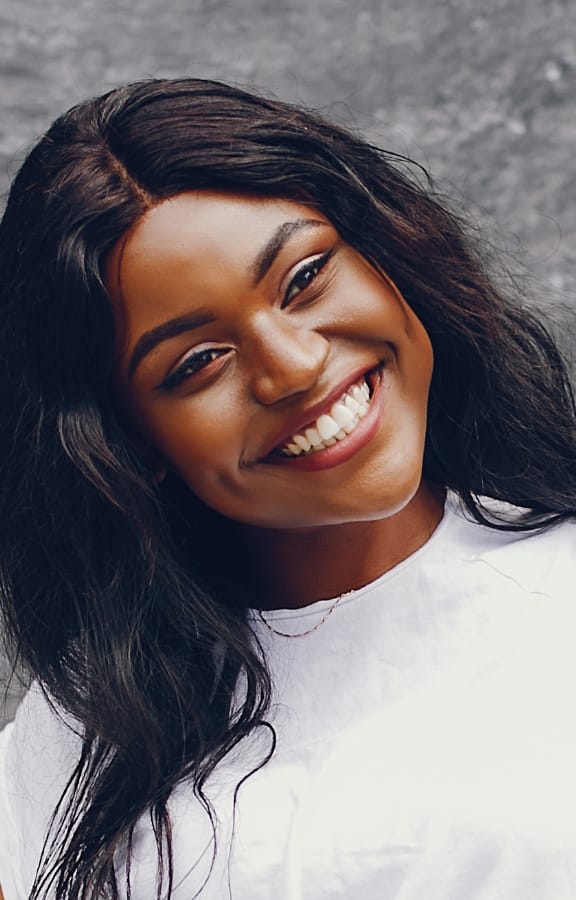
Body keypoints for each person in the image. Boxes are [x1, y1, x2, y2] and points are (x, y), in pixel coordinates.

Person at [1, 77, 576, 900]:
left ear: (389, 258)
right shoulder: (80, 733)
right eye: (198, 363)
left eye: (304, 279)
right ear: (130, 443)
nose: (296, 367)